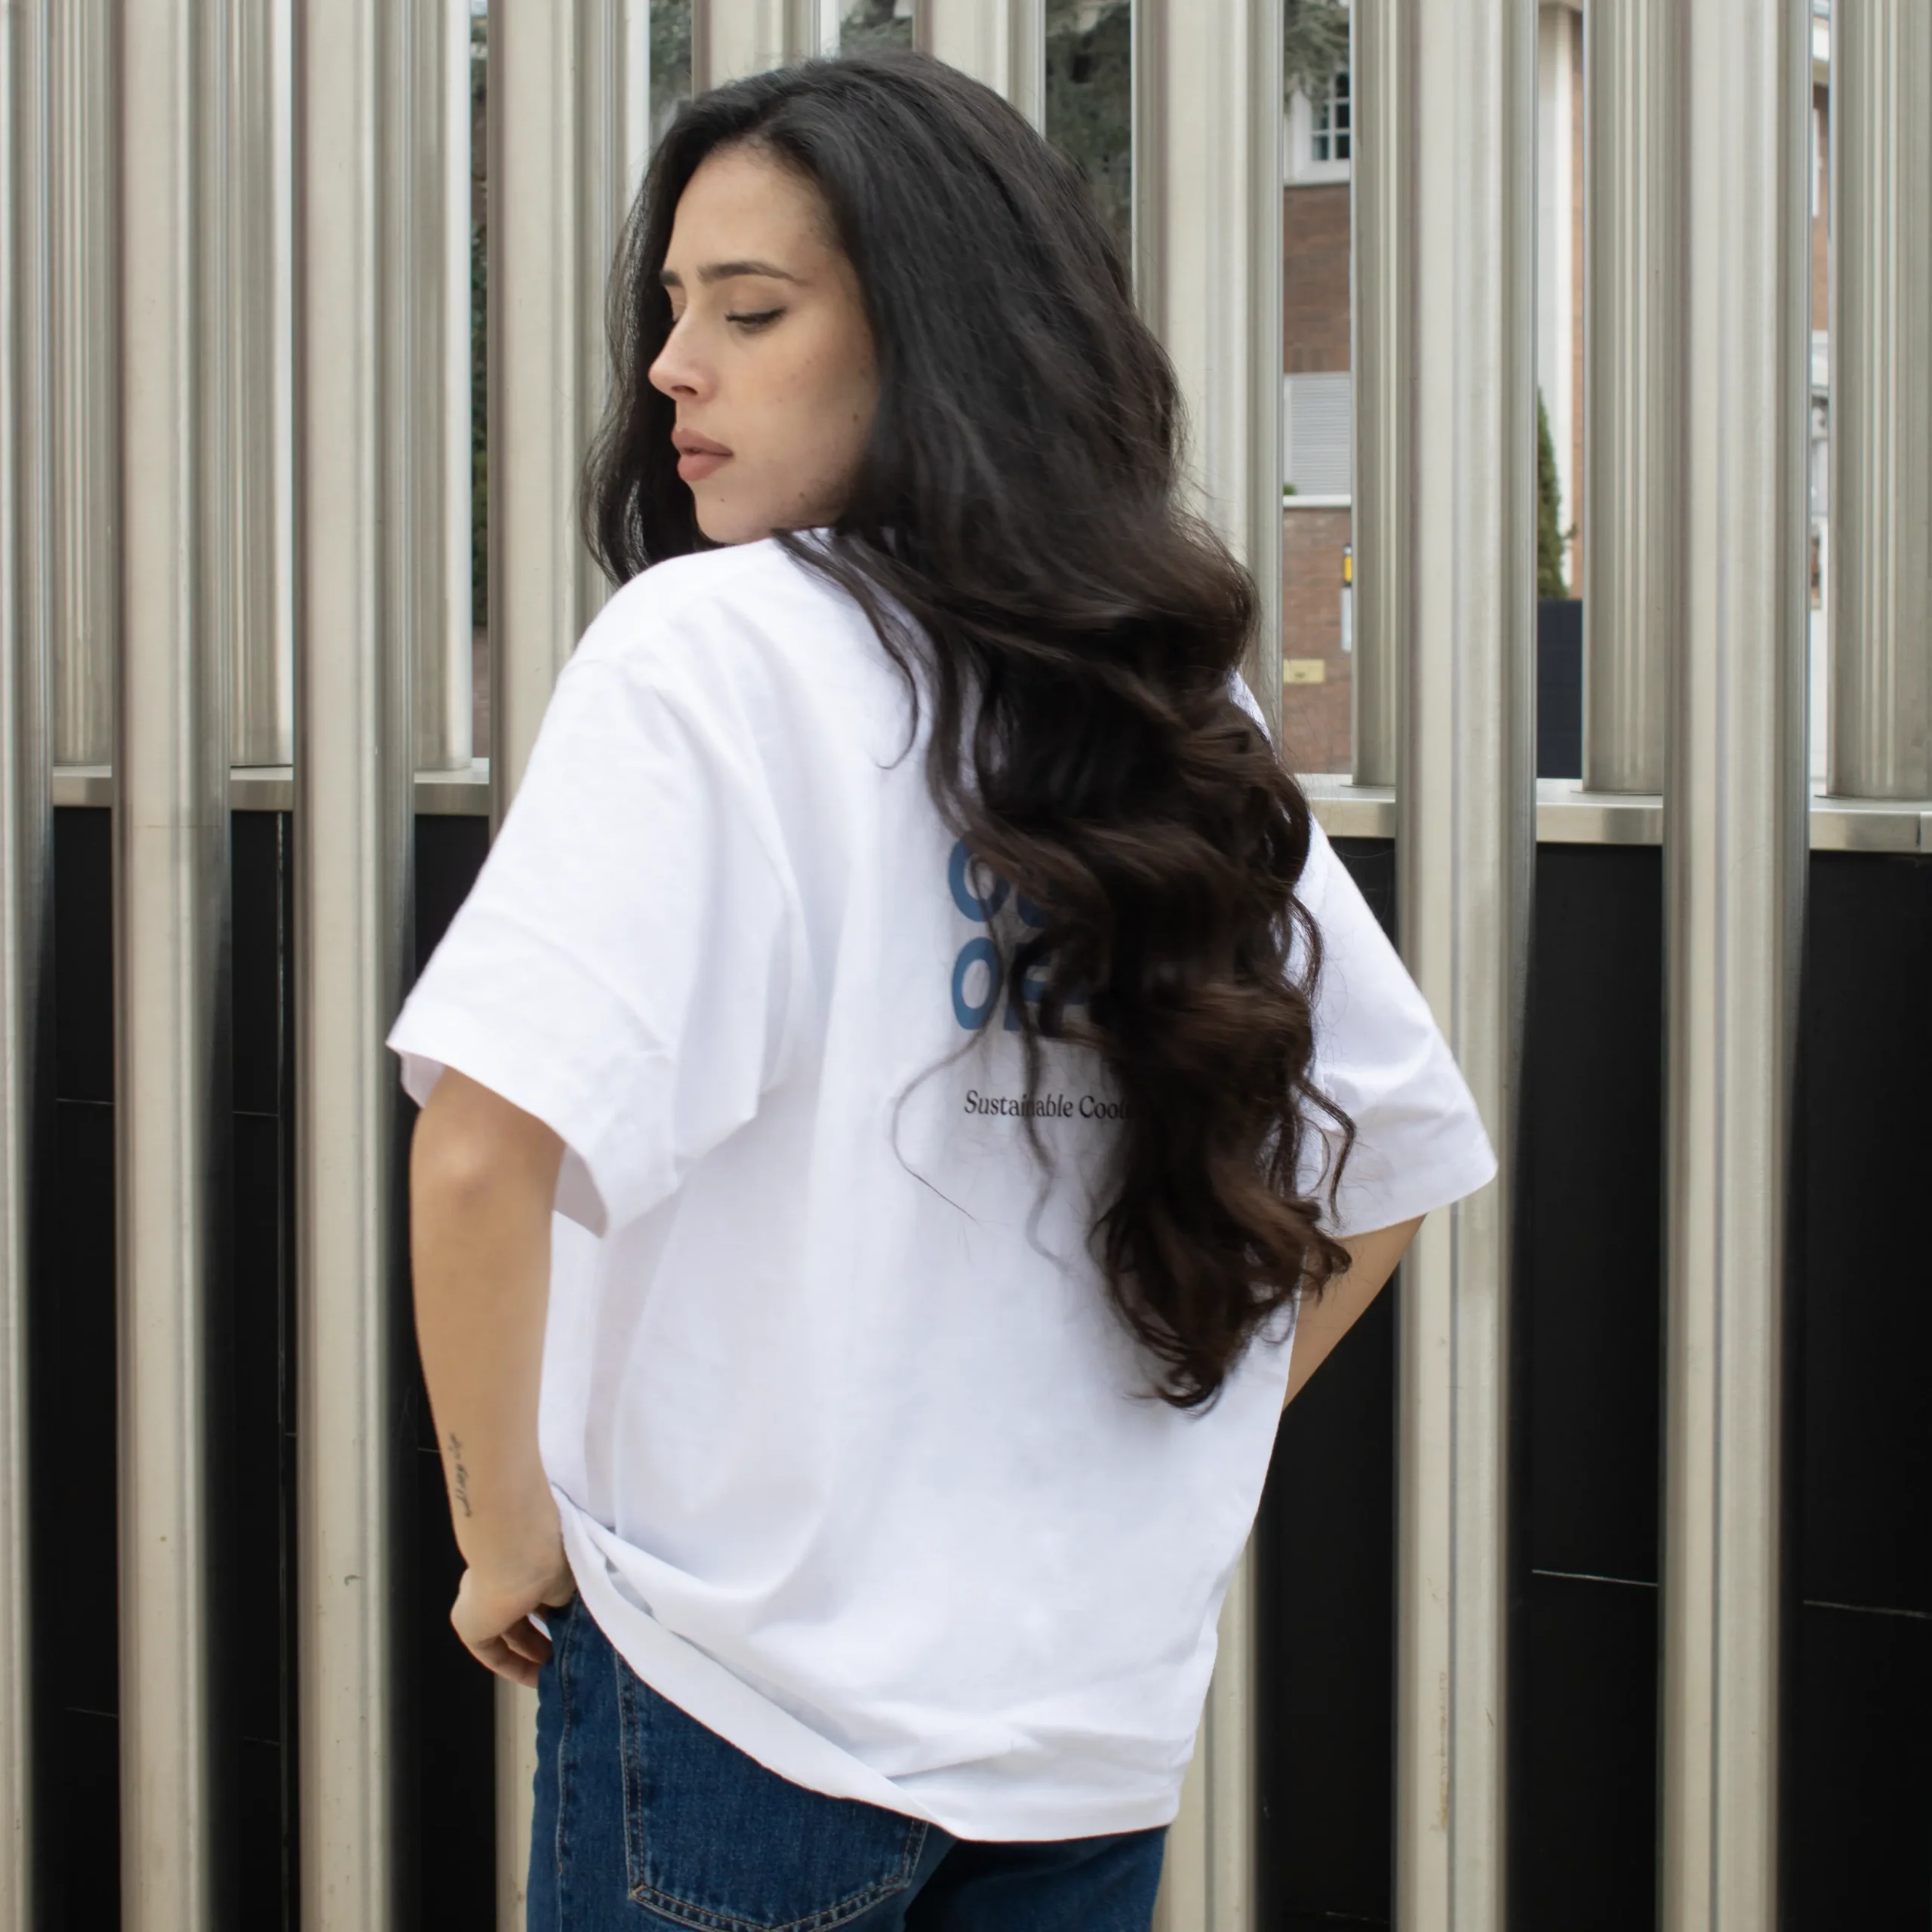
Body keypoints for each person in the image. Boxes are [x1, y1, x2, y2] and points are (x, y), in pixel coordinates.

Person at [389, 51, 1494, 1932]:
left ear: (941, 340)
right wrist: (1155, 1471)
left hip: (737, 1709)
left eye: (747, 310)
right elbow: (1379, 1167)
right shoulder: (1156, 701)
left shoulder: (706, 648)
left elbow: (483, 1150)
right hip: (1083, 1734)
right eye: (671, 309)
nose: (672, 367)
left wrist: (505, 1538)